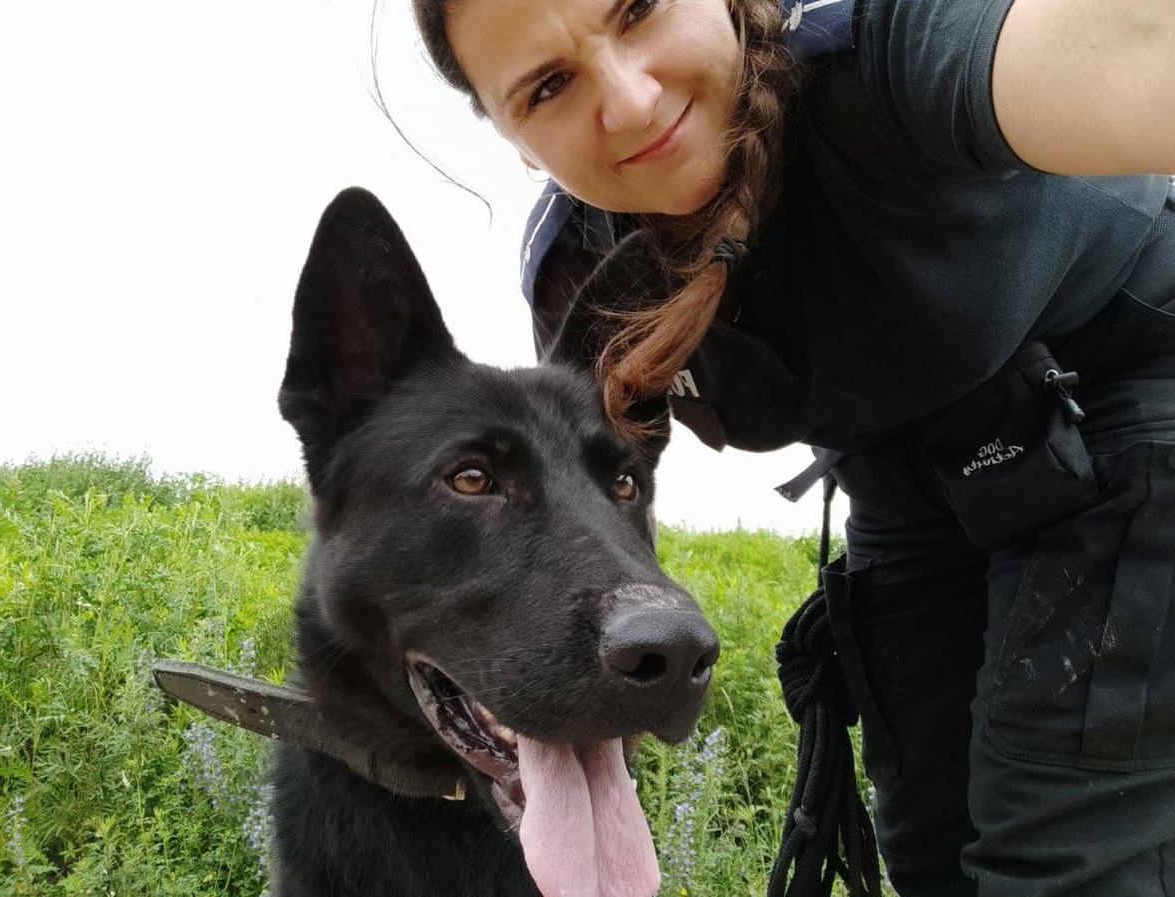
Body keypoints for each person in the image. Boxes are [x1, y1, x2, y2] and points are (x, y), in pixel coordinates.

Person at [409, 0, 1175, 894]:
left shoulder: (885, 61)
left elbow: (1137, 51)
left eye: (641, 9)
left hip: (1129, 399)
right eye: (548, 87)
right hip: (909, 489)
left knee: (1059, 856)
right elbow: (581, 527)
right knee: (933, 849)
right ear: (517, 144)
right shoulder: (585, 277)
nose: (632, 102)